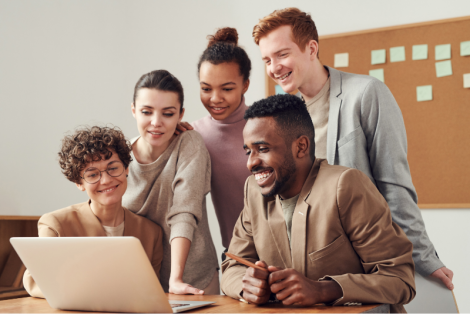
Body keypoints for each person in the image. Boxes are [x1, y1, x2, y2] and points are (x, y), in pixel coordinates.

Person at [252, 7, 453, 289]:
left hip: (363, 268)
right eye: (267, 60)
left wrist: (424, 258)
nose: (274, 68)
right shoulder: (282, 118)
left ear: (311, 48)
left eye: (282, 54)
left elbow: (394, 185)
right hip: (305, 272)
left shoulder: (366, 94)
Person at [221, 94, 415, 314]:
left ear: (301, 147)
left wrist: (323, 290)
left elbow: (400, 280)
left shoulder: (345, 186)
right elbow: (232, 266)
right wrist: (249, 287)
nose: (251, 163)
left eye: (263, 149)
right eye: (248, 151)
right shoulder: (254, 192)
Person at [23, 126, 164, 298]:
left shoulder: (151, 233)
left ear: (126, 169)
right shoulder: (55, 225)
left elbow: (151, 293)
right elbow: (36, 282)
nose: (106, 180)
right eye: (92, 175)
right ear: (79, 183)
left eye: (113, 168)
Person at [122, 70, 219, 295]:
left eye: (167, 113)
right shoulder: (120, 155)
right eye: (147, 112)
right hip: (140, 282)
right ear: (134, 110)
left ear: (180, 114)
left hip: (192, 279)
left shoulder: (189, 143)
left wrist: (175, 279)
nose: (156, 123)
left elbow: (184, 211)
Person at [189, 27, 252, 259]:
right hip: (237, 255)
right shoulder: (194, 134)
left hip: (287, 251)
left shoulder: (267, 124)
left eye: (227, 89)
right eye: (206, 89)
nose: (214, 99)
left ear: (245, 84)